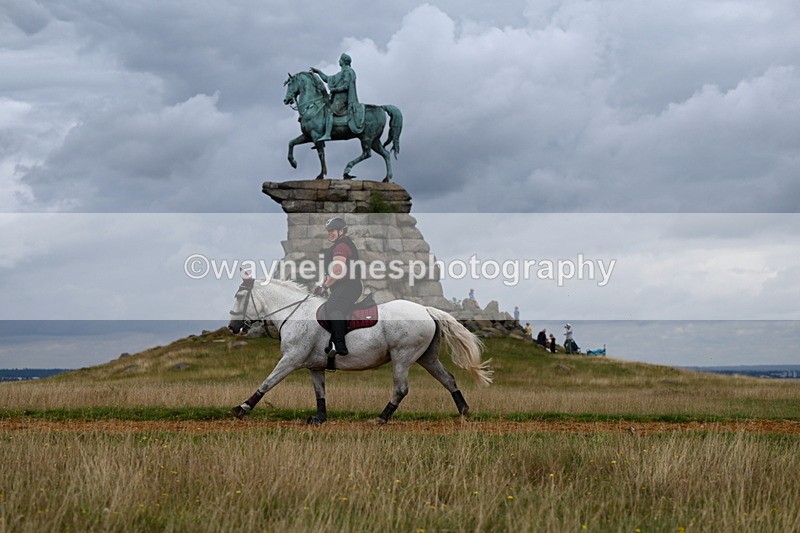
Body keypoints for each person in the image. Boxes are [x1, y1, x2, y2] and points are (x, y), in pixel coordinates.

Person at [314, 217, 362, 356]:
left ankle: (338, 345)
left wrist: (324, 287)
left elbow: (337, 271)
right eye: (328, 231)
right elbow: (330, 273)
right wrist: (322, 284)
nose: (330, 233)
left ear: (341, 231)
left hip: (349, 286)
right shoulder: (338, 246)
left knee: (333, 307)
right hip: (343, 286)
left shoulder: (341, 246)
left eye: (332, 231)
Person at [310, 53, 365, 142]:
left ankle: (327, 134)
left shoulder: (347, 71)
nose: (339, 61)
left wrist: (335, 89)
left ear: (344, 61)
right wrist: (318, 72)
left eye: (340, 59)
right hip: (337, 98)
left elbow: (346, 86)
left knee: (329, 111)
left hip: (343, 99)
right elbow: (327, 79)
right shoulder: (341, 73)